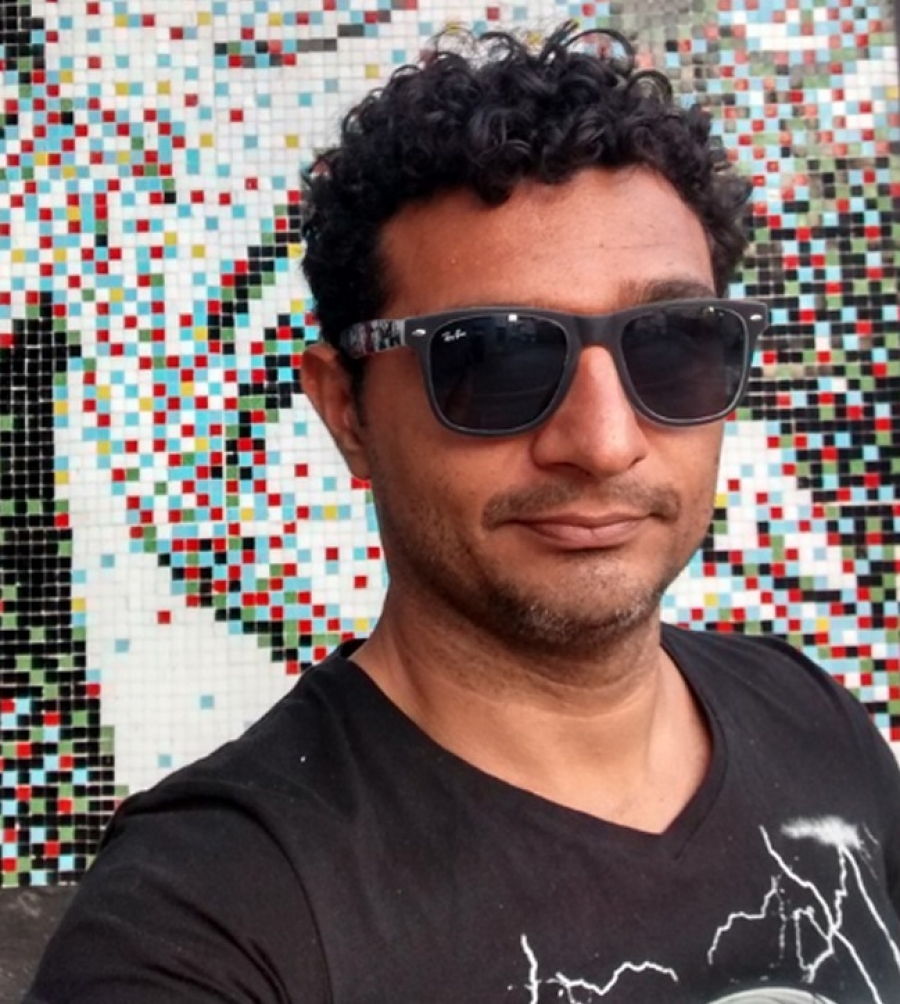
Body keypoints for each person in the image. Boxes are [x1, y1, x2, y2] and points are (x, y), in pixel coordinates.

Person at [27, 22, 900, 1004]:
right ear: (347, 411)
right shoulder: (213, 918)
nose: (604, 440)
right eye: (496, 358)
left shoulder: (811, 717)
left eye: (674, 344)